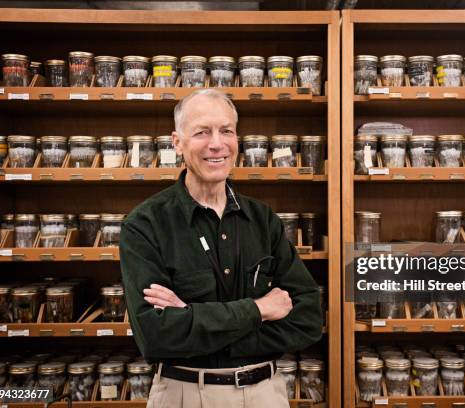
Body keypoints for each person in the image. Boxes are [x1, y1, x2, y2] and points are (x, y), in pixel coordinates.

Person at [119, 89, 323, 408]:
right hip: (184, 394)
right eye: (202, 132)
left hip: (264, 395)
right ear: (177, 142)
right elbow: (155, 335)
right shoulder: (145, 224)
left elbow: (308, 319)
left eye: (226, 130)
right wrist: (259, 310)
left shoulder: (262, 219)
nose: (217, 143)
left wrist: (194, 321)